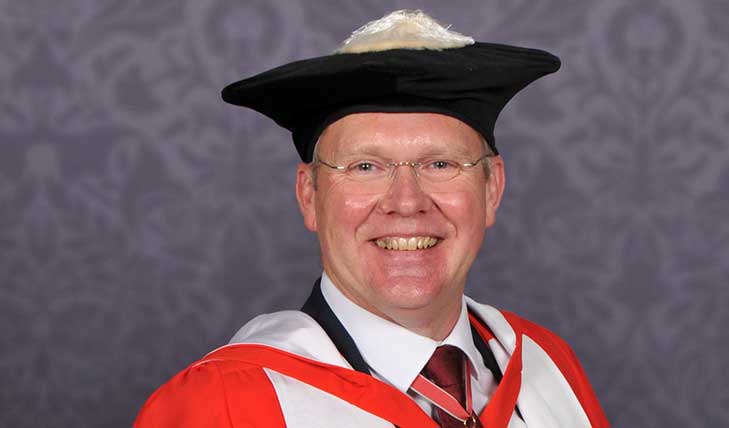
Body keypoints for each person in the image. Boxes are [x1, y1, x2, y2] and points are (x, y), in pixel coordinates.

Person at [135, 9, 609, 428]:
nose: (406, 202)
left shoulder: (548, 367)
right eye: (365, 167)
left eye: (440, 164)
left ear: (491, 189)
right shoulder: (223, 406)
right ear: (309, 195)